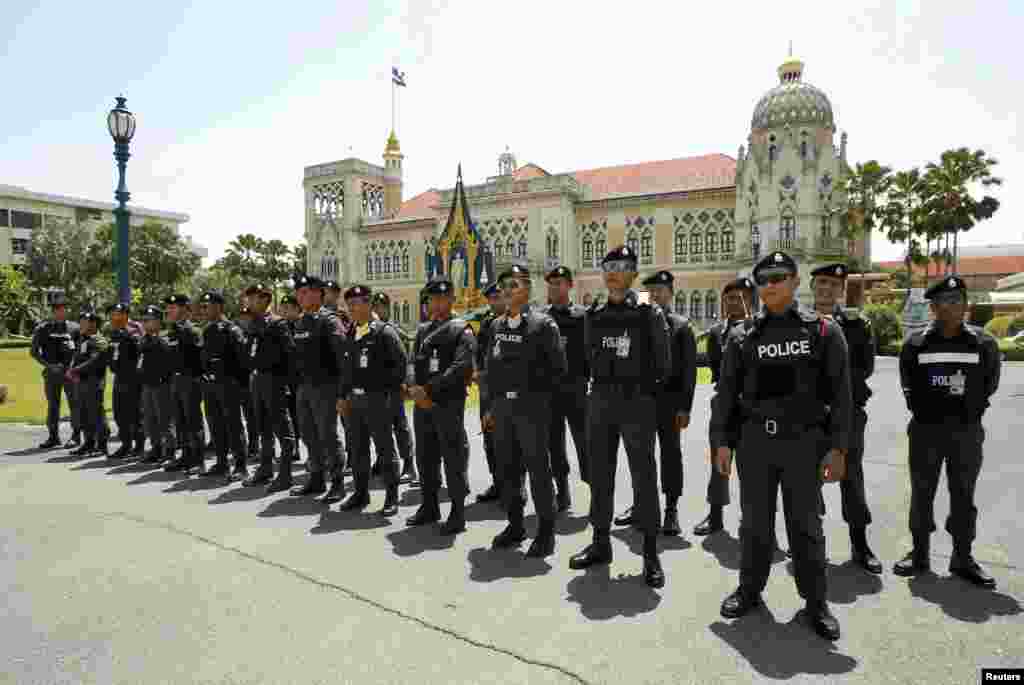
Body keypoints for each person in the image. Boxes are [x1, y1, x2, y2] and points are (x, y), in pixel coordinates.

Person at [711, 250, 850, 641]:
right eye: (764, 279)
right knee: (754, 525)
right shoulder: (743, 336)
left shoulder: (823, 332)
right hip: (755, 442)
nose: (770, 285)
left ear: (794, 281)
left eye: (779, 277)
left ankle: (816, 602)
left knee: (805, 526)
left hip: (803, 442)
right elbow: (725, 396)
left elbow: (841, 396)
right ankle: (749, 591)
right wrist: (721, 442)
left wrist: (838, 449)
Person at [569, 245, 670, 588]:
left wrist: (641, 391)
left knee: (644, 475)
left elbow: (663, 363)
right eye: (608, 265)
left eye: (622, 266)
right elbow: (586, 358)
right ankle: (600, 543)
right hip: (601, 401)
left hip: (636, 401)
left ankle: (651, 554)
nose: (613, 271)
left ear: (632, 273)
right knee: (601, 475)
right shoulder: (594, 312)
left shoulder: (645, 307)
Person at [894, 275, 1001, 588]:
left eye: (958, 301)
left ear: (966, 306)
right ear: (934, 308)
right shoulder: (916, 344)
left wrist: (966, 410)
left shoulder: (983, 343)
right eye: (945, 302)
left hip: (966, 432)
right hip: (926, 431)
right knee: (922, 493)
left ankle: (962, 557)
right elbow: (908, 386)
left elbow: (989, 383)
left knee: (964, 495)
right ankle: (920, 553)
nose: (953, 307)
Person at [483, 264, 566, 557]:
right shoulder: (496, 326)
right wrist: (491, 407)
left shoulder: (543, 325)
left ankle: (545, 531)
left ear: (528, 289)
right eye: (503, 285)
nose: (507, 290)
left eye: (514, 285)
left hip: (532, 410)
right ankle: (515, 524)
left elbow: (558, 371)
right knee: (508, 470)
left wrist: (543, 406)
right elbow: (490, 371)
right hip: (503, 410)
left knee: (538, 471)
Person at [811, 263, 881, 574]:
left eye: (833, 285)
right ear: (813, 286)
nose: (827, 289)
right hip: (809, 416)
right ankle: (813, 542)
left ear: (841, 290)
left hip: (847, 412)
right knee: (807, 480)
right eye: (822, 283)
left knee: (851, 476)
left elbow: (864, 368)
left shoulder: (856, 324)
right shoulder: (799, 323)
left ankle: (860, 544)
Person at [624, 270, 697, 536]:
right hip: (640, 401)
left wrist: (685, 407)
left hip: (668, 403)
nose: (654, 295)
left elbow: (689, 373)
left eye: (660, 291)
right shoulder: (636, 323)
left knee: (670, 455)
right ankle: (640, 505)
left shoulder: (681, 326)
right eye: (650, 290)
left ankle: (670, 509)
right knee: (640, 456)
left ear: (670, 294)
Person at [405, 277, 475, 535]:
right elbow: (412, 362)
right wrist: (413, 386)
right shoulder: (423, 330)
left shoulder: (461, 329)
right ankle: (429, 506)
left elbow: (462, 366)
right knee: (425, 457)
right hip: (422, 405)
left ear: (451, 300)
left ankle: (457, 513)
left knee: (453, 459)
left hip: (447, 403)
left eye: (441, 298)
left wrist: (429, 390)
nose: (436, 303)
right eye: (432, 298)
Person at [338, 284, 406, 516]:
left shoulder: (384, 333)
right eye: (350, 305)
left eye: (358, 304)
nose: (353, 309)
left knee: (385, 449)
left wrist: (388, 396)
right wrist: (342, 396)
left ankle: (391, 497)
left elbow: (400, 368)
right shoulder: (350, 333)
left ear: (368, 305)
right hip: (354, 402)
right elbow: (345, 370)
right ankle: (360, 493)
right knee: (357, 449)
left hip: (378, 400)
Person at [695, 277, 754, 536]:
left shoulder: (758, 328)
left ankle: (752, 518)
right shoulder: (717, 332)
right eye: (729, 298)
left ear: (750, 299)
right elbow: (715, 367)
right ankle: (715, 515)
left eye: (739, 297)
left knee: (753, 467)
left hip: (752, 406)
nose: (733, 302)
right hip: (724, 404)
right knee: (719, 460)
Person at [290, 275, 349, 498]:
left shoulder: (329, 321)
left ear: (318, 293)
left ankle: (337, 482)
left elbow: (342, 357)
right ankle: (316, 479)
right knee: (308, 434)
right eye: (298, 292)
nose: (300, 296)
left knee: (327, 435)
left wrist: (342, 392)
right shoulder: (301, 322)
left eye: (305, 292)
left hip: (326, 387)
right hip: (305, 387)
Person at [242, 283, 298, 492]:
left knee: (282, 429)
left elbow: (289, 354)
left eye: (254, 298)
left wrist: (284, 381)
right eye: (249, 298)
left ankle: (285, 475)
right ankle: (265, 469)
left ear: (265, 300)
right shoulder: (254, 323)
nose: (250, 302)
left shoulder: (277, 324)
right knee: (262, 427)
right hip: (257, 380)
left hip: (274, 381)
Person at [543, 265, 590, 511]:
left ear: (570, 285)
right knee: (554, 444)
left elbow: (592, 353)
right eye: (551, 283)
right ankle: (562, 491)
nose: (554, 287)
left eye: (559, 283)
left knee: (585, 442)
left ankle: (596, 490)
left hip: (576, 389)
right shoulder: (541, 317)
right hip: (550, 392)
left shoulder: (583, 316)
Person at [198, 291, 249, 481]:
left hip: (228, 383)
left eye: (208, 306)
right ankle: (221, 463)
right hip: (210, 384)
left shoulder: (231, 330)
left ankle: (240, 466)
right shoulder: (208, 329)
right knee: (215, 424)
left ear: (219, 307)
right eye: (203, 306)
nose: (205, 309)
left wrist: (239, 383)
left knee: (233, 425)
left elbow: (242, 360)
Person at [371, 291, 417, 484]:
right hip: (375, 387)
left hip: (393, 386)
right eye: (376, 306)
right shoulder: (368, 329)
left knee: (400, 426)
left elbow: (405, 359)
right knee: (378, 427)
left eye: (381, 306)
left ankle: (409, 465)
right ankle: (383, 460)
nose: (378, 309)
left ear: (387, 307)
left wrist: (405, 382)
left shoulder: (394, 329)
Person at [31, 291, 81, 449]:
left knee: (74, 404)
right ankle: (53, 436)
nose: (60, 311)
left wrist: (73, 367)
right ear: (52, 311)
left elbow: (82, 350)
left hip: (70, 373)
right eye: (57, 309)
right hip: (52, 374)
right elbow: (33, 352)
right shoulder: (43, 328)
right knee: (53, 405)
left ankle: (76, 436)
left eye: (63, 308)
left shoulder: (75, 328)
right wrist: (49, 365)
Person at [163, 294, 206, 472]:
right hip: (177, 379)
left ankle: (198, 460)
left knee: (193, 421)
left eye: (173, 307)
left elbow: (200, 358)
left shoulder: (192, 331)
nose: (169, 310)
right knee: (180, 421)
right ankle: (186, 456)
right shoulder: (173, 330)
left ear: (185, 310)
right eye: (169, 307)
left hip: (190, 380)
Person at [320, 279, 353, 500]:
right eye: (324, 292)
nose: (327, 296)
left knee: (347, 423)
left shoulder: (341, 316)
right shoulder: (317, 315)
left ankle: (351, 459)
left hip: (341, 378)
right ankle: (329, 463)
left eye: (330, 292)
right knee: (327, 427)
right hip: (325, 379)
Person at [473, 280, 505, 502]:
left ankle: (516, 485)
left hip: (508, 389)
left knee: (510, 439)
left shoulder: (516, 321)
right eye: (491, 298)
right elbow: (478, 353)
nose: (494, 302)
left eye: (497, 297)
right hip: (487, 390)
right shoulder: (486, 324)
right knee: (490, 437)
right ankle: (498, 481)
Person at [65, 309, 110, 457]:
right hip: (81, 382)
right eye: (81, 322)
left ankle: (101, 445)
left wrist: (76, 370)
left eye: (85, 322)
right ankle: (88, 443)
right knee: (84, 414)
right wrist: (73, 370)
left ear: (94, 324)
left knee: (96, 414)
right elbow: (77, 358)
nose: (81, 324)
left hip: (94, 382)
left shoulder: (99, 340)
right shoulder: (83, 339)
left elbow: (96, 360)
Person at [137, 305, 174, 464]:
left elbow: (169, 363)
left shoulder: (164, 338)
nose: (145, 324)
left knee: (164, 419)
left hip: (162, 385)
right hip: (147, 385)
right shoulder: (144, 339)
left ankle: (169, 451)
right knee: (150, 419)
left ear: (158, 321)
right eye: (143, 321)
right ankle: (156, 448)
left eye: (148, 320)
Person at [106, 303, 142, 459]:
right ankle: (126, 444)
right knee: (119, 413)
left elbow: (140, 351)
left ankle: (139, 446)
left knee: (134, 414)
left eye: (116, 314)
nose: (113, 317)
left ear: (125, 315)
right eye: (112, 314)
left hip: (133, 379)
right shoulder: (115, 332)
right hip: (119, 377)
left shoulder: (134, 330)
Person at [279, 294, 302, 461]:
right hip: (288, 379)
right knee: (292, 415)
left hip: (303, 379)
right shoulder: (282, 326)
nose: (285, 312)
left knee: (306, 417)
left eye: (288, 309)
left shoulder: (303, 324)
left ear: (296, 308)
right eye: (283, 309)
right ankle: (295, 449)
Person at [236, 303, 257, 461]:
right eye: (242, 317)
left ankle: (254, 446)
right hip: (239, 381)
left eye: (247, 317)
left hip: (252, 380)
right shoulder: (238, 334)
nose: (244, 320)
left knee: (252, 416)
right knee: (243, 415)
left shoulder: (254, 334)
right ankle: (247, 445)